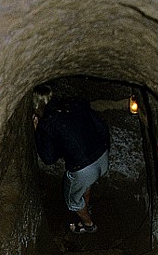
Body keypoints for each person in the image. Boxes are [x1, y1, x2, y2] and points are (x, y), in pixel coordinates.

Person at [32, 84, 110, 234]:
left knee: (72, 201)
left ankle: (88, 225)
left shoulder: (47, 123)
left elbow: (48, 159)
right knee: (85, 184)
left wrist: (38, 132)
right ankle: (86, 205)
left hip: (84, 169)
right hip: (102, 157)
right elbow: (101, 127)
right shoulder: (76, 104)